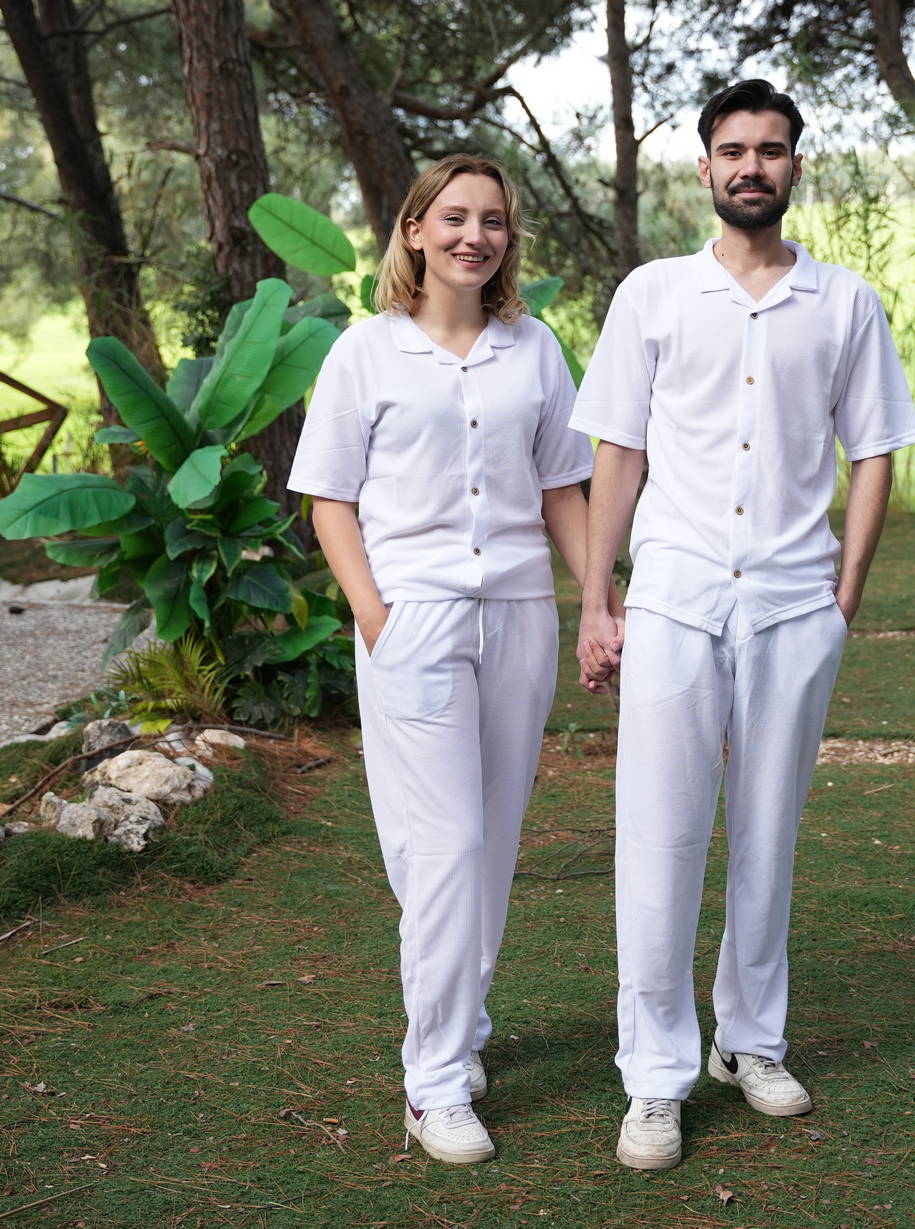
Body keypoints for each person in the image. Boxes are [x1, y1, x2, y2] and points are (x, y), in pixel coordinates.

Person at [570, 80, 915, 1170]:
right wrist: (596, 596)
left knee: (768, 831)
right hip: (674, 595)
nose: (751, 166)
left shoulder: (845, 303)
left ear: (795, 166)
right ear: (705, 168)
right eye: (733, 150)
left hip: (792, 602)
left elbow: (874, 449)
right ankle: (654, 1076)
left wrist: (844, 592)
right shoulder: (653, 294)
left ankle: (750, 1040)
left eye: (770, 150)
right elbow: (617, 450)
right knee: (660, 837)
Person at [289, 153, 601, 1165]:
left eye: (494, 220)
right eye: (455, 217)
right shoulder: (364, 351)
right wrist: (374, 615)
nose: (476, 236)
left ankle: (459, 1028)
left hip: (519, 614)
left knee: (490, 842)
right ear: (415, 230)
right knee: (446, 846)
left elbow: (560, 488)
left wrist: (600, 599)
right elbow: (328, 497)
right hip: (413, 617)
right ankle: (431, 1083)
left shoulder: (533, 349)